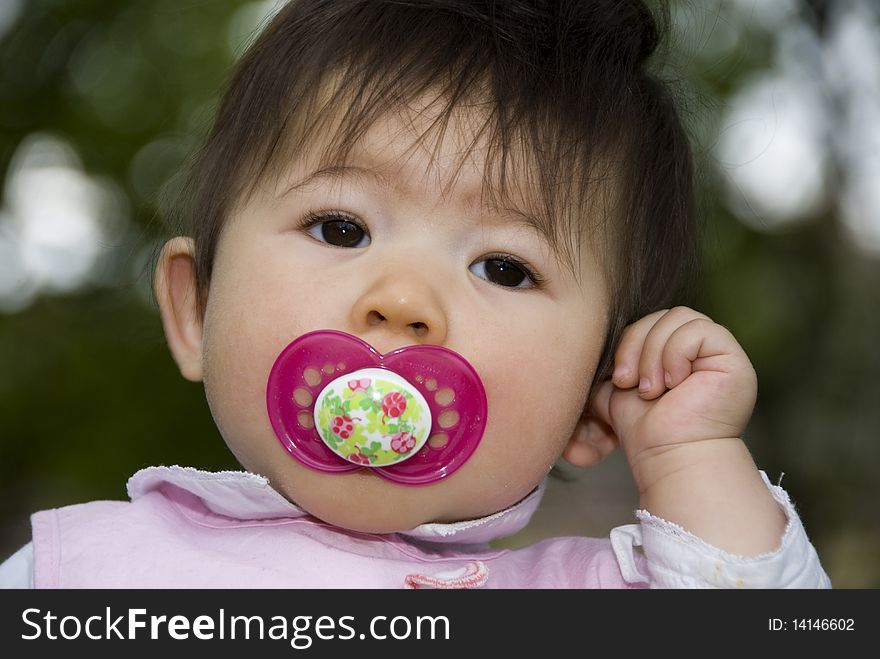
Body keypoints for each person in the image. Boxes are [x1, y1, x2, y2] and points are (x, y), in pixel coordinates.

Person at [0, 0, 829, 588]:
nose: (403, 300)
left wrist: (691, 459)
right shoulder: (84, 575)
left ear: (591, 403)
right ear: (195, 308)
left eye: (505, 266)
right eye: (340, 226)